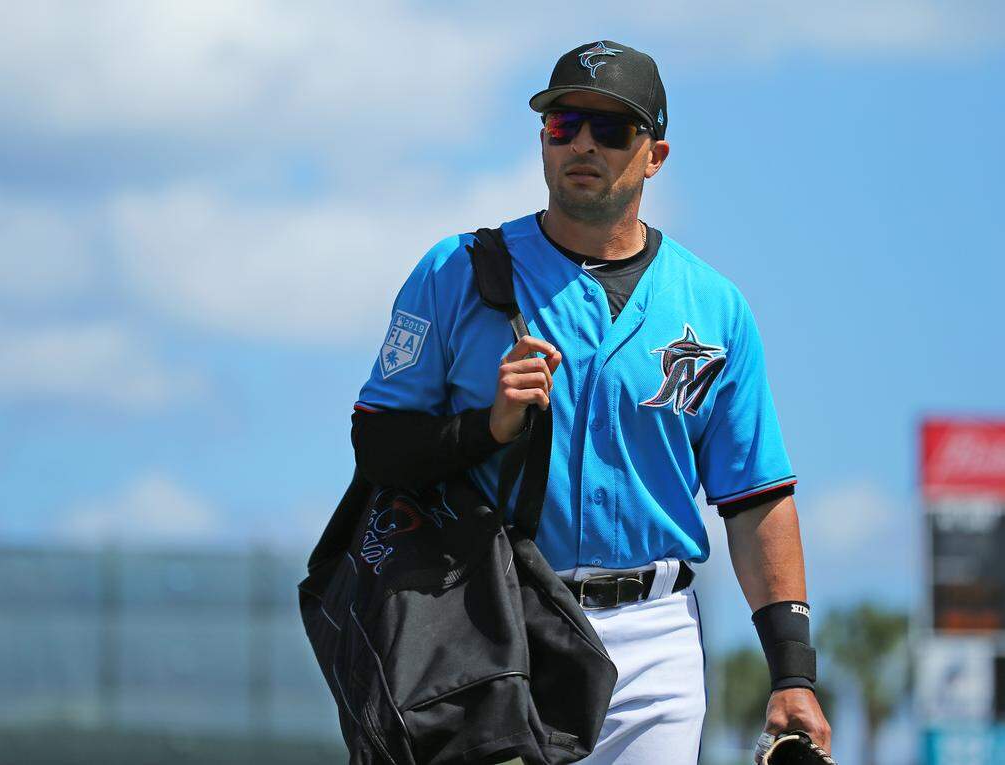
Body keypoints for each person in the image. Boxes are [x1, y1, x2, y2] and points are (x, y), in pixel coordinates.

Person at [350, 40, 831, 764]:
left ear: (654, 155)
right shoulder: (456, 271)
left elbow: (755, 497)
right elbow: (377, 447)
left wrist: (792, 671)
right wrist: (486, 428)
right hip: (491, 618)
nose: (583, 143)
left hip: (655, 635)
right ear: (543, 138)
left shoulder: (714, 306)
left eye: (611, 130)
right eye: (564, 123)